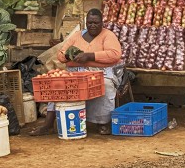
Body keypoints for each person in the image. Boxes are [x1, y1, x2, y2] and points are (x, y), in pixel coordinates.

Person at [30, 8, 123, 136]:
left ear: (102, 23)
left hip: (101, 72)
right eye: (90, 22)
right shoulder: (77, 35)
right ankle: (48, 125)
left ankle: (103, 123)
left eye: (96, 23)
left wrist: (89, 56)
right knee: (58, 85)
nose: (93, 25)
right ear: (86, 22)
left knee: (105, 85)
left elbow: (114, 55)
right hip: (75, 71)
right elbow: (61, 54)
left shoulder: (108, 35)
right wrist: (69, 56)